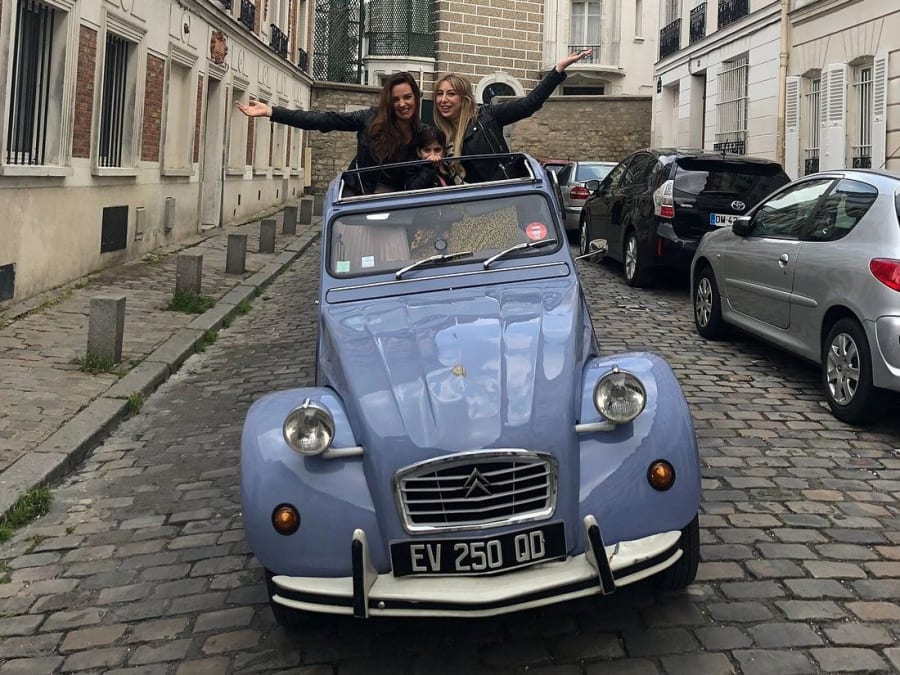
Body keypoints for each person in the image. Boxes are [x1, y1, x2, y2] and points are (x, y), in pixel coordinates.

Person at [236, 72, 425, 194]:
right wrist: (272, 112)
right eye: (396, 99)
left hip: (394, 205)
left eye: (407, 97)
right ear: (389, 102)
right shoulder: (371, 119)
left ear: (416, 98)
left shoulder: (423, 135)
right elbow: (324, 120)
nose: (402, 104)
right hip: (358, 195)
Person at [432, 49, 592, 183]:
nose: (443, 100)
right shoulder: (438, 137)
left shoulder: (486, 117)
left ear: (464, 98)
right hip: (464, 209)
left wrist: (557, 70)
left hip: (500, 199)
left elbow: (529, 104)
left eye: (451, 94)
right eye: (439, 94)